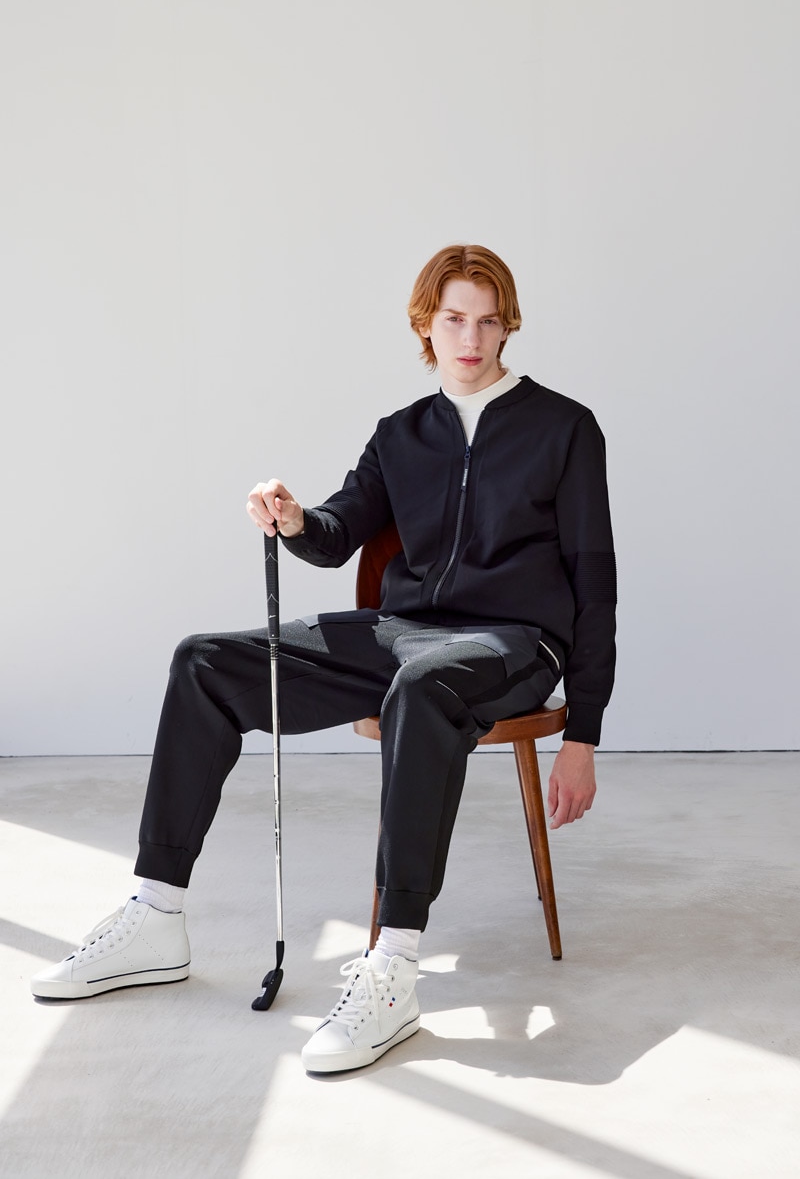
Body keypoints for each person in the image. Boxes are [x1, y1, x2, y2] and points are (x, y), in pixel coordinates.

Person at [32, 244, 616, 1075]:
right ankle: (156, 912)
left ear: (507, 327)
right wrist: (294, 517)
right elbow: (339, 532)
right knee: (203, 662)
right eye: (454, 319)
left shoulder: (564, 427)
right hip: (405, 631)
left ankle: (394, 967)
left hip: (515, 641)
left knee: (422, 685)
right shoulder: (401, 434)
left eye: (489, 322)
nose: (472, 338)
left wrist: (584, 732)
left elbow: (596, 581)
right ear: (425, 325)